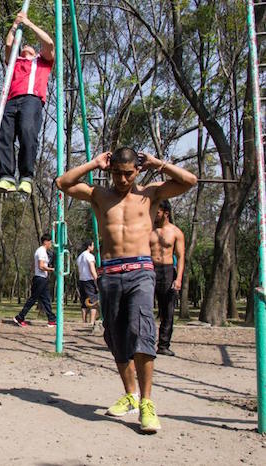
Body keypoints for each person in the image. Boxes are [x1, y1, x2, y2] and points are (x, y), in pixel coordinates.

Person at [56, 147, 197, 433]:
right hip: (109, 275)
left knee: (142, 332)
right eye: (117, 173)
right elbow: (63, 183)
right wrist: (93, 163)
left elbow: (189, 181)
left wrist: (159, 163)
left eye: (128, 173)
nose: (122, 179)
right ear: (110, 171)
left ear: (137, 171)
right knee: (116, 337)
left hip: (141, 272)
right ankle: (131, 394)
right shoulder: (99, 195)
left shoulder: (150, 194)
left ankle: (147, 402)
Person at [0, 10, 54, 195]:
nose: (27, 47)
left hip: (31, 100)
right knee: (4, 135)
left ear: (36, 52)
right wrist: (14, 26)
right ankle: (6, 177)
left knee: (27, 132)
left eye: (31, 47)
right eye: (24, 46)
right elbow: (9, 44)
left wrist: (28, 23)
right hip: (11, 101)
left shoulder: (42, 62)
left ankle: (26, 177)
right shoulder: (15, 62)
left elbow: (49, 43)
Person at [150, 200, 185, 357]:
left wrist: (178, 279)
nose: (155, 215)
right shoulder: (148, 230)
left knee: (167, 310)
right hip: (149, 270)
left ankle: (163, 345)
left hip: (167, 271)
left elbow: (181, 256)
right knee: (143, 307)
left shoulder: (176, 232)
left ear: (166, 213)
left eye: (157, 212)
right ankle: (145, 342)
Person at [14, 234, 56, 327]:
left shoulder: (44, 252)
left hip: (43, 278)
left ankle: (52, 319)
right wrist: (52, 270)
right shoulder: (41, 251)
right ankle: (19, 317)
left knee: (46, 299)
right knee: (33, 299)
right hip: (39, 279)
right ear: (46, 242)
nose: (51, 244)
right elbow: (41, 266)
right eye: (50, 242)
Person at [76, 240, 100, 333]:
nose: (93, 247)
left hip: (81, 280)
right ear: (89, 246)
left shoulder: (79, 257)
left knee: (84, 301)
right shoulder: (90, 256)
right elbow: (92, 269)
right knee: (93, 301)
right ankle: (91, 322)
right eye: (93, 245)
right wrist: (96, 280)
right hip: (89, 280)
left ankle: (84, 321)